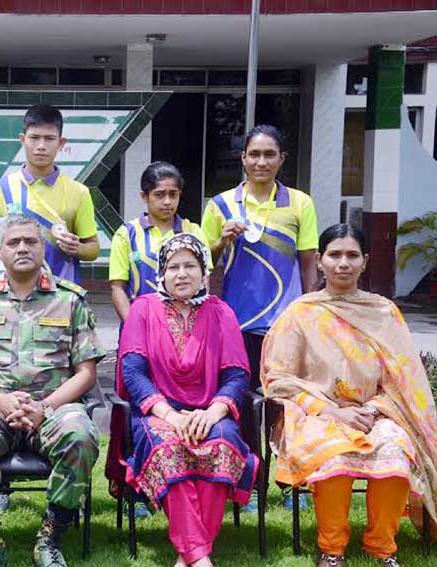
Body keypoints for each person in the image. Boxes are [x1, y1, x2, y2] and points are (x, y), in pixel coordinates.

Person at [261, 224, 437, 567]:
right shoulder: (301, 314)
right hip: (315, 414)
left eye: (352, 255)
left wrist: (372, 411)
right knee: (335, 458)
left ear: (365, 261)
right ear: (320, 260)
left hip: (378, 412)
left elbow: (401, 379)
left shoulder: (384, 314)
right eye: (335, 255)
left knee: (397, 451)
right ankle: (332, 548)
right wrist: (330, 411)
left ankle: (382, 548)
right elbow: (278, 378)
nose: (343, 263)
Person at [0, 214, 106, 567]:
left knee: (81, 434)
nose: (22, 248)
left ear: (42, 248)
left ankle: (51, 537)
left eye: (30, 242)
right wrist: (0, 401)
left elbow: (86, 373)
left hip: (53, 407)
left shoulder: (70, 300)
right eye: (13, 242)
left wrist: (43, 408)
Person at [106, 233, 258, 567]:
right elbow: (133, 371)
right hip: (157, 413)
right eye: (173, 266)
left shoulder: (222, 313)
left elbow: (236, 375)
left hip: (211, 412)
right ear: (161, 272)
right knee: (171, 448)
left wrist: (213, 413)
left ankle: (187, 554)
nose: (182, 273)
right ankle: (200, 557)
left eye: (191, 265)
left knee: (221, 445)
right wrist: (171, 416)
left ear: (205, 272)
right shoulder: (142, 310)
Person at [201, 124, 318, 390]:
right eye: (254, 154)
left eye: (269, 154)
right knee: (240, 394)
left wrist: (308, 312)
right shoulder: (220, 205)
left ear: (282, 158)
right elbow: (202, 262)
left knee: (283, 397)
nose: (261, 162)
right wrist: (222, 240)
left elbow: (308, 264)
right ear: (243, 158)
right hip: (236, 320)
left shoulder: (301, 203)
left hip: (286, 321)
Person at [0, 104, 100, 284]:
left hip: (62, 297)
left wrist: (76, 248)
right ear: (22, 139)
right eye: (34, 138)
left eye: (49, 138)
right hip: (10, 298)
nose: (41, 146)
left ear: (61, 143)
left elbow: (93, 249)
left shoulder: (79, 192)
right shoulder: (0, 188)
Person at [109, 161, 209, 322]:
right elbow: (117, 287)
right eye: (159, 194)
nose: (167, 201)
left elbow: (204, 282)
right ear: (144, 196)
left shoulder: (194, 232)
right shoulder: (126, 235)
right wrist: (133, 327)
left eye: (173, 194)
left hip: (184, 330)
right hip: (140, 325)